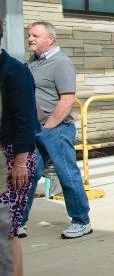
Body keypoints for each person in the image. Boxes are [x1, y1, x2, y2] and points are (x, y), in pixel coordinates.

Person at [24, 21, 91, 239]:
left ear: (49, 39)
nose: (30, 39)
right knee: (27, 174)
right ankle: (18, 221)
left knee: (67, 174)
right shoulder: (33, 62)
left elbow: (68, 99)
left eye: (35, 35)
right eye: (29, 35)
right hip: (37, 129)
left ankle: (82, 221)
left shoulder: (61, 63)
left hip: (57, 129)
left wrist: (49, 126)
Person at [0, 20, 41, 274]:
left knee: (6, 230)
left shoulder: (14, 71)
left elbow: (25, 119)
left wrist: (19, 162)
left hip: (13, 157)